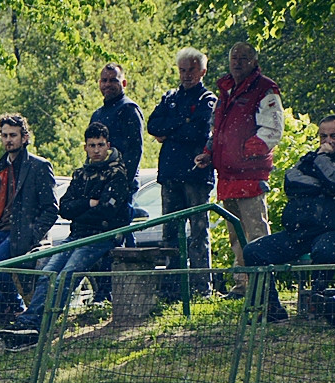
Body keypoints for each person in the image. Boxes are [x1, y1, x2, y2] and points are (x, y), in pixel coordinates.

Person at [0, 122, 133, 351]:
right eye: (92, 145)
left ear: (108, 146)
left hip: (100, 236)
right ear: (85, 147)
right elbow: (64, 207)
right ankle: (28, 322)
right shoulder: (80, 174)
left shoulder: (117, 173)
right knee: (47, 274)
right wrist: (89, 204)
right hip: (76, 234)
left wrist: (83, 212)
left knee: (66, 277)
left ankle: (38, 327)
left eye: (100, 145)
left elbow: (108, 212)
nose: (96, 150)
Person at [243, 115, 335, 321]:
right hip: (304, 230)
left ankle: (320, 303)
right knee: (254, 251)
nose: (328, 141)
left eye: (334, 135)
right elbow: (291, 181)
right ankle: (272, 309)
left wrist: (321, 164)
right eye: (323, 136)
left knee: (325, 249)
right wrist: (326, 182)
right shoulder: (310, 157)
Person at [195, 42, 283, 299]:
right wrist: (209, 154)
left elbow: (272, 130)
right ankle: (243, 285)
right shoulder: (226, 90)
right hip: (227, 177)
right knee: (236, 235)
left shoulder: (266, 89)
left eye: (244, 58)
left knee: (257, 233)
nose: (238, 62)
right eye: (234, 58)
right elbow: (217, 130)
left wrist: (245, 153)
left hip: (251, 176)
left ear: (255, 61)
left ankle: (264, 288)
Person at [0, 113, 59, 322]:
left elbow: (51, 209)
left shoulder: (39, 166)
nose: (8, 139)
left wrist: (32, 234)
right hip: (0, 230)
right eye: (4, 135)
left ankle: (18, 306)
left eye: (13, 135)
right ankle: (6, 307)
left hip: (22, 233)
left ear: (24, 137)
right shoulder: (0, 168)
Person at [147, 47, 218, 298]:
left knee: (198, 232)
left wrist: (171, 130)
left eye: (191, 70)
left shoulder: (207, 99)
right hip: (170, 174)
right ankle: (172, 286)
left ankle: (201, 287)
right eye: (182, 70)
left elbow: (200, 131)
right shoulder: (170, 97)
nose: (186, 75)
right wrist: (182, 123)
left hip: (196, 175)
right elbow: (153, 125)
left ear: (202, 71)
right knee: (170, 232)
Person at [90, 63, 144, 193]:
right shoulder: (97, 114)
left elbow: (134, 150)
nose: (107, 84)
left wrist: (120, 183)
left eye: (113, 80)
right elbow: (91, 150)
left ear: (124, 83)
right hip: (99, 183)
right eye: (104, 80)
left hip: (122, 185)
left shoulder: (129, 110)